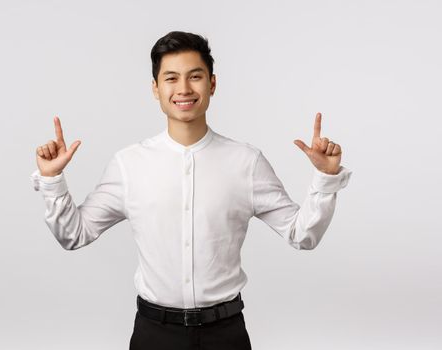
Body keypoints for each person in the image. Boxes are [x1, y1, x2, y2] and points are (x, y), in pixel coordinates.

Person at [30, 31, 352, 350]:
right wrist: (52, 179)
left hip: (225, 334)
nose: (183, 88)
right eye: (171, 78)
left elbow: (302, 235)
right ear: (156, 89)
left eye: (194, 76)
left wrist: (325, 178)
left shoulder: (246, 162)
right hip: (154, 335)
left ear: (212, 84)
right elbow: (74, 234)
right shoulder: (129, 164)